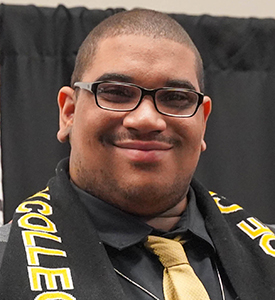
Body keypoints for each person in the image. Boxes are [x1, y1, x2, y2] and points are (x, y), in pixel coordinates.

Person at [0, 8, 275, 300]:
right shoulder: (7, 262)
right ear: (68, 112)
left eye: (176, 97)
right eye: (116, 92)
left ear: (202, 121)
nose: (147, 119)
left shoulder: (265, 251)